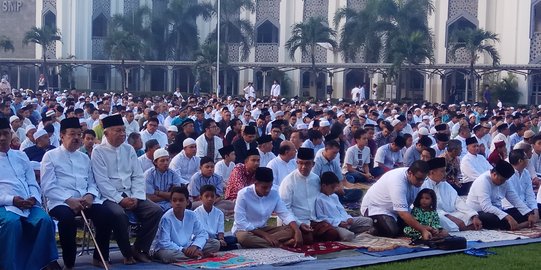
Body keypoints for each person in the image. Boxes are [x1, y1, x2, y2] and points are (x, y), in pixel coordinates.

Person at [41, 117, 114, 269]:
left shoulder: (84, 157)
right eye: (72, 134)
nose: (76, 138)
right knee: (67, 219)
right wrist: (68, 199)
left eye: (78, 134)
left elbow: (93, 183)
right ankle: (69, 262)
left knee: (106, 214)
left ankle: (99, 258)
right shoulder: (50, 156)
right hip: (60, 201)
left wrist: (90, 195)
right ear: (62, 135)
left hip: (84, 199)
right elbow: (47, 186)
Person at [92, 114, 163, 264]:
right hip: (109, 196)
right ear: (106, 133)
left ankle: (138, 248)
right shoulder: (98, 152)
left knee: (155, 211)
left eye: (124, 130)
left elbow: (137, 176)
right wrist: (120, 199)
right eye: (118, 131)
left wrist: (136, 196)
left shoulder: (129, 149)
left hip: (131, 193)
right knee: (118, 214)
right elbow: (102, 182)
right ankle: (126, 253)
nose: (123, 134)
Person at [0, 117, 59, 270]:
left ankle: (39, 265)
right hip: (4, 205)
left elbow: (32, 182)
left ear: (10, 135)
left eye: (5, 133)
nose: (2, 138)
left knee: (45, 221)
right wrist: (11, 200)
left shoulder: (20, 155)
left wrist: (33, 197)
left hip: (27, 203)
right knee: (12, 224)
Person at [279, 148, 340, 244]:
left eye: (307, 163)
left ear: (313, 164)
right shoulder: (288, 181)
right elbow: (285, 209)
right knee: (308, 239)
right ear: (296, 162)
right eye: (300, 163)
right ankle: (291, 239)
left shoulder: (316, 179)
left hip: (314, 220)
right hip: (297, 221)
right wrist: (299, 224)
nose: (303, 167)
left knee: (332, 234)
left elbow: (324, 198)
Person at [233, 167, 303, 248]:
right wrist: (265, 235)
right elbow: (240, 222)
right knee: (243, 238)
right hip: (246, 231)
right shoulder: (243, 194)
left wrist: (297, 230)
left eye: (270, 186)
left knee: (290, 230)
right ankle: (281, 244)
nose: (267, 190)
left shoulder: (274, 192)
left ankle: (265, 242)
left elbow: (285, 213)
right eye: (264, 187)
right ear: (255, 183)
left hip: (264, 229)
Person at [360, 160, 432, 239]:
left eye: (423, 179)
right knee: (391, 231)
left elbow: (414, 208)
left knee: (413, 226)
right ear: (410, 173)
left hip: (397, 211)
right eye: (418, 179)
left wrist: (422, 225)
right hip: (377, 208)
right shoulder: (398, 182)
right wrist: (422, 230)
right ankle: (372, 226)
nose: (421, 182)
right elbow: (403, 213)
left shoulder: (415, 179)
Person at [150, 186, 220, 263]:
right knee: (169, 256)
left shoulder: (192, 215)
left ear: (187, 202)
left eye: (181, 200)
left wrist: (195, 246)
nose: (177, 203)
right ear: (171, 202)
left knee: (215, 243)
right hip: (169, 249)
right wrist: (183, 249)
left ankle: (195, 254)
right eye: (174, 200)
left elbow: (202, 233)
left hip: (188, 247)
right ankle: (199, 255)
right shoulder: (166, 218)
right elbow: (164, 242)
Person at [466, 160, 537, 230]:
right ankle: (519, 225)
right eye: (502, 180)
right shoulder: (483, 181)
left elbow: (514, 199)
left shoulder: (504, 181)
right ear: (494, 174)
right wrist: (507, 217)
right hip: (479, 212)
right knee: (495, 219)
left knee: (520, 214)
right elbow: (486, 207)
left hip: (498, 210)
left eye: (505, 180)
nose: (503, 183)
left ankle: (516, 224)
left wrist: (529, 213)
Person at [421, 158, 482, 232]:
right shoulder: (424, 186)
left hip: (452, 214)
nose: (445, 174)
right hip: (438, 215)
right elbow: (428, 209)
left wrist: (473, 216)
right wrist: (450, 217)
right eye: (442, 171)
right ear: (432, 172)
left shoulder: (446, 185)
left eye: (445, 171)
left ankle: (460, 228)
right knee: (438, 218)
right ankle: (459, 228)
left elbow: (458, 201)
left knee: (470, 218)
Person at [315, 172, 373, 241]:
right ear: (324, 186)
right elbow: (322, 218)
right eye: (332, 187)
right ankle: (348, 232)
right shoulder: (319, 200)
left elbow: (341, 210)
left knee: (369, 221)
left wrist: (348, 218)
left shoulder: (334, 196)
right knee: (348, 236)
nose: (334, 190)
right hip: (335, 225)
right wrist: (339, 223)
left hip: (345, 221)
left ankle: (349, 230)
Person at [194, 185, 238, 251]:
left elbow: (220, 230)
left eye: (212, 196)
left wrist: (221, 239)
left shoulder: (219, 213)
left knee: (233, 239)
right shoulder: (195, 213)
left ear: (215, 198)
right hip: (203, 239)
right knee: (215, 244)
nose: (210, 199)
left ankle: (219, 246)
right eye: (206, 196)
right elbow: (197, 232)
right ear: (201, 198)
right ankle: (220, 247)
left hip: (216, 238)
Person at [502, 150, 539, 224]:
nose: (528, 159)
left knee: (537, 209)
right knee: (517, 216)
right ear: (520, 161)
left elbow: (530, 194)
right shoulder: (508, 174)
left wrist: (535, 210)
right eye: (526, 158)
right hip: (512, 207)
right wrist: (529, 213)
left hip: (526, 206)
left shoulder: (526, 173)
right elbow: (514, 199)